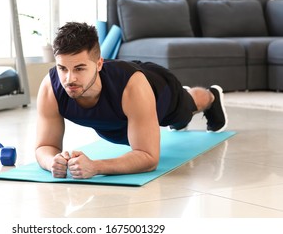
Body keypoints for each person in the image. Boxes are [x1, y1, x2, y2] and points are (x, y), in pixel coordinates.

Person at [35, 22, 227, 179]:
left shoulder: (133, 87)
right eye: (63, 69)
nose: (69, 79)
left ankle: (211, 96)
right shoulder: (51, 88)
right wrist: (52, 161)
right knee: (177, 121)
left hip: (157, 93)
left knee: (186, 109)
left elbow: (148, 157)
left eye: (79, 68)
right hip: (119, 116)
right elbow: (44, 146)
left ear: (99, 63)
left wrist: (95, 166)